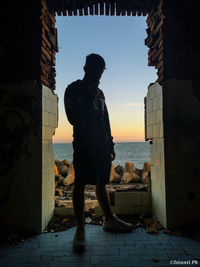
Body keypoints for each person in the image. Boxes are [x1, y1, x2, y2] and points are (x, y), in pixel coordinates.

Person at [64, 54, 132, 252]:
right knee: (80, 183)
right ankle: (80, 228)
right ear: (86, 68)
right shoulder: (73, 89)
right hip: (83, 144)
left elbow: (106, 120)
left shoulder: (101, 93)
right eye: (96, 70)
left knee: (101, 182)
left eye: (101, 71)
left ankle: (109, 220)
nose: (99, 75)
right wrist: (89, 94)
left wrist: (110, 144)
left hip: (101, 146)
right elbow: (73, 118)